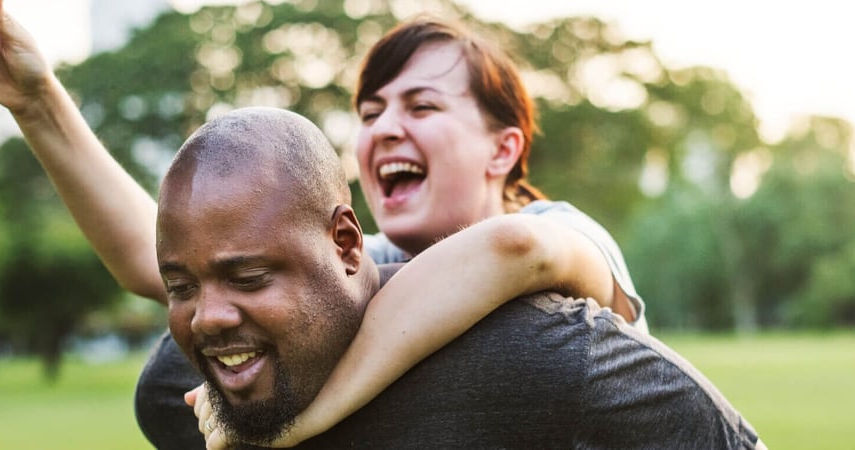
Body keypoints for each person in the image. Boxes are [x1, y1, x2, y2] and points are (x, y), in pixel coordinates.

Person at [0, 1, 647, 447]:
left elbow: (514, 249)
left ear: (505, 148)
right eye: (370, 115)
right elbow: (152, 257)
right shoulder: (361, 266)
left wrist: (292, 426)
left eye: (422, 108)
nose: (386, 129)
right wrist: (36, 102)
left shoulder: (562, 229)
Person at [161, 106, 762, 448]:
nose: (208, 316)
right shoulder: (187, 391)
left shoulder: (534, 348)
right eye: (181, 288)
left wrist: (301, 425)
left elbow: (515, 245)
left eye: (250, 276)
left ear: (346, 245)